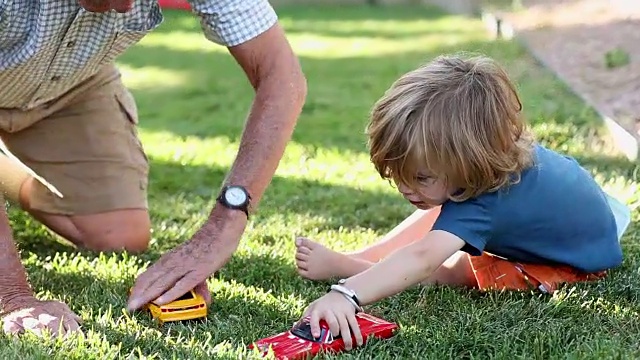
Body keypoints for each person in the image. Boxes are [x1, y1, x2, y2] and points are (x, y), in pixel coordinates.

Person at [0, 0, 306, 337]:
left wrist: (222, 228)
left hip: (68, 84)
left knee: (119, 234)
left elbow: (281, 74)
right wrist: (13, 297)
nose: (127, 6)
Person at [293, 54, 630, 350]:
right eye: (399, 174)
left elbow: (423, 258)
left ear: (471, 157)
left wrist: (347, 294)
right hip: (593, 225)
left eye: (421, 177)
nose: (405, 188)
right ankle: (364, 258)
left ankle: (352, 271)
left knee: (454, 268)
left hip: (574, 264)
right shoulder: (494, 158)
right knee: (443, 214)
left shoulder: (484, 203)